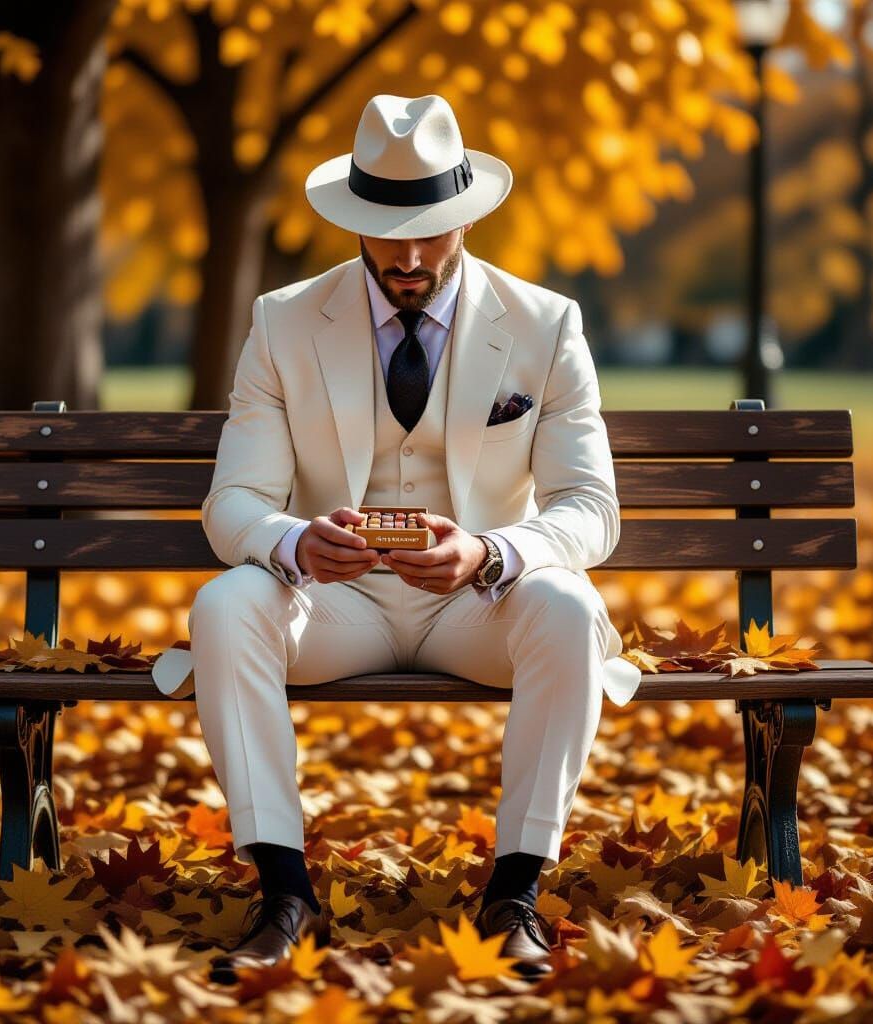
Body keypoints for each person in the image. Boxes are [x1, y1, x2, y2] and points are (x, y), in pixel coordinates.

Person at [152, 93, 642, 982]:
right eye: (386, 232)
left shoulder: (545, 325)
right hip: (335, 605)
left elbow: (589, 510)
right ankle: (284, 893)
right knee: (226, 607)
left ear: (463, 217)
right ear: (354, 219)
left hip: (480, 607)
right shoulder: (283, 321)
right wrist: (296, 544)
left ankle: (515, 895)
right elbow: (232, 505)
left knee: (567, 604)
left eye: (429, 231)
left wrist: (492, 554)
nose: (409, 257)